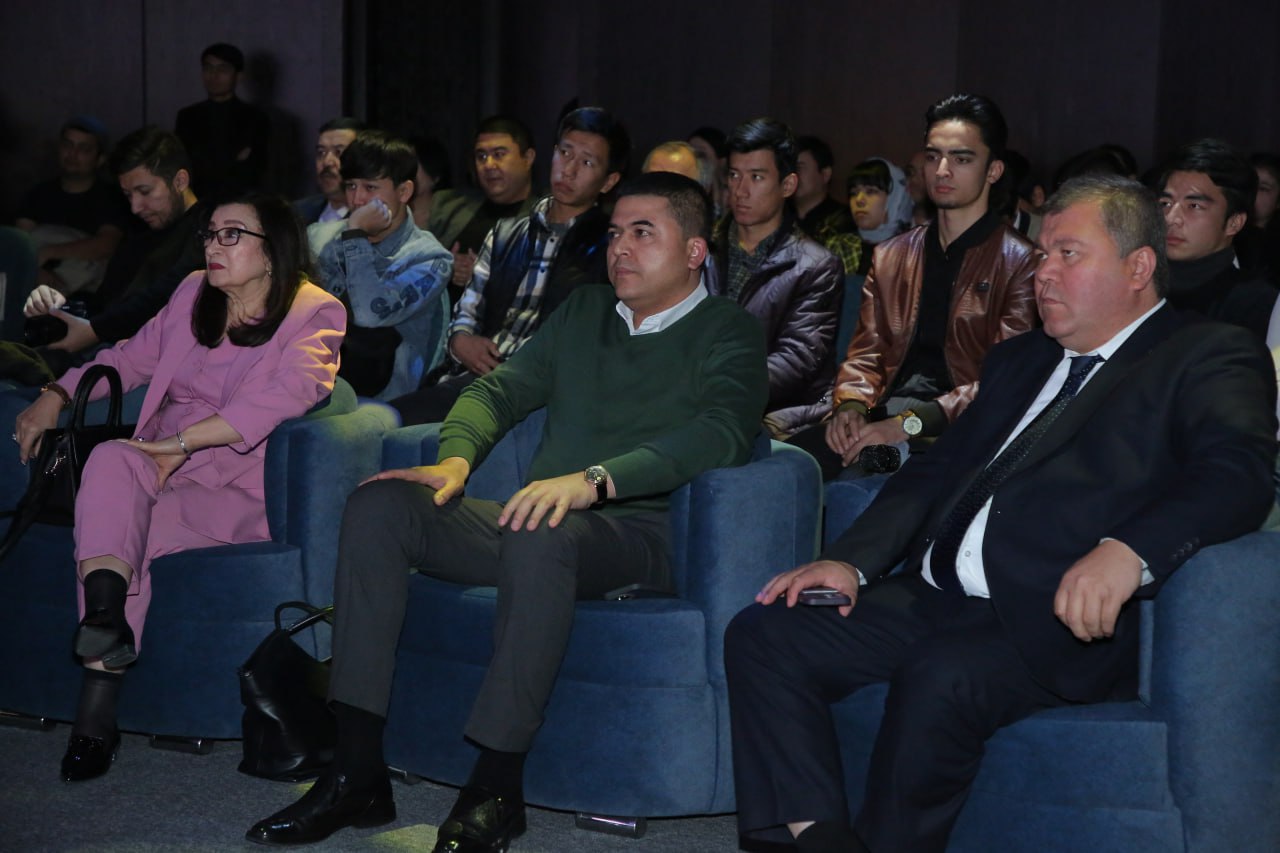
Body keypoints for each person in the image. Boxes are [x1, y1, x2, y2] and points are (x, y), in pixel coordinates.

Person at [724, 174, 1278, 852]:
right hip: (933, 597)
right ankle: (820, 839)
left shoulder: (1206, 352)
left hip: (1050, 615)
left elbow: (1236, 474)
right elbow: (935, 470)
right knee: (766, 631)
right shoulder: (1021, 358)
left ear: (1137, 267)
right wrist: (850, 561)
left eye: (1068, 255)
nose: (1044, 273)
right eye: (1043, 255)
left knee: (942, 675)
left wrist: (1129, 551)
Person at [245, 172, 768, 851]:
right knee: (380, 505)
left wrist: (595, 480)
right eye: (615, 232)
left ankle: (495, 783)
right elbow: (498, 393)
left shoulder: (728, 330)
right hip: (540, 523)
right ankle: (357, 770)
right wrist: (455, 462)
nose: (620, 248)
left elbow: (721, 434)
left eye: (644, 233)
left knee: (540, 531)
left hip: (642, 533)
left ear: (695, 251)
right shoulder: (585, 312)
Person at [12, 192, 345, 783]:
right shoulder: (194, 292)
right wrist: (55, 395)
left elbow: (290, 393)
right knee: (111, 459)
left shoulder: (314, 311)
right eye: (209, 234)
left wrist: (180, 444)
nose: (214, 245)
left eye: (231, 234)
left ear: (273, 251)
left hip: (235, 482)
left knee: (124, 529)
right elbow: (127, 360)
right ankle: (106, 617)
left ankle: (95, 714)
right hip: (156, 459)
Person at [788, 94, 1038, 481]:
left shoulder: (1022, 263)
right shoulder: (892, 255)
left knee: (860, 481)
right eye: (933, 156)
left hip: (952, 431)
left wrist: (907, 424)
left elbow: (1000, 384)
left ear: (993, 170)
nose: (942, 170)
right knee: (784, 467)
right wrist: (851, 406)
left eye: (961, 159)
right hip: (881, 416)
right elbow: (866, 352)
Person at [390, 107, 628, 425]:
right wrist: (460, 339)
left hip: (534, 390)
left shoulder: (610, 247)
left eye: (586, 162)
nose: (568, 170)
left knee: (389, 422)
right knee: (383, 421)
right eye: (565, 153)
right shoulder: (506, 233)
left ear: (608, 181)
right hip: (472, 374)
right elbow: (468, 308)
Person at [17, 127, 205, 376]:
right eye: (128, 195)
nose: (136, 207)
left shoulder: (210, 229)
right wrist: (60, 308)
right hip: (105, 353)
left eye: (145, 192)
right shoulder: (138, 240)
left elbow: (166, 295)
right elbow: (105, 303)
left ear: (180, 181)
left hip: (152, 365)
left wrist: (96, 330)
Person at [711, 117, 844, 440]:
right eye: (734, 175)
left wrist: (716, 387)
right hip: (702, 401)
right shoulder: (703, 248)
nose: (740, 190)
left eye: (756, 177)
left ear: (788, 185)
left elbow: (797, 359)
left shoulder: (815, 265)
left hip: (777, 416)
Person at [310, 130, 453, 400]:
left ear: (404, 191)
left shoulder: (429, 258)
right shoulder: (319, 237)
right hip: (312, 379)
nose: (358, 200)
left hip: (383, 397)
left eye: (370, 188)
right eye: (351, 186)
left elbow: (369, 316)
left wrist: (356, 237)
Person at [1157, 138, 1277, 339]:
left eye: (1194, 206)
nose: (1171, 219)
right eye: (1165, 203)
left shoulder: (1260, 305)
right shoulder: (1137, 284)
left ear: (1234, 223)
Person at [427, 116, 538, 305]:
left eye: (499, 154)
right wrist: (442, 267)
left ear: (527, 158)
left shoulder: (545, 218)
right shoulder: (449, 206)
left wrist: (487, 279)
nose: (488, 165)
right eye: (481, 156)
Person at [15, 115, 130, 294]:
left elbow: (107, 245)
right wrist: (35, 270)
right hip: (36, 281)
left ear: (100, 158)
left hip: (85, 286)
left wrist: (50, 251)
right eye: (67, 145)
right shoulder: (37, 194)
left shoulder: (112, 197)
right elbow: (20, 243)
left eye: (84, 149)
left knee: (95, 263)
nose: (73, 154)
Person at [174, 43, 270, 199]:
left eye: (222, 69)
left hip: (241, 201)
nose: (214, 75)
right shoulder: (187, 117)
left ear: (238, 76)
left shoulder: (255, 118)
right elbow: (182, 166)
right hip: (196, 201)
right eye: (208, 68)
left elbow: (257, 171)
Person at [794, 136, 862, 280]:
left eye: (799, 168)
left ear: (825, 174)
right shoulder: (777, 218)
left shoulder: (847, 220)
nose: (792, 176)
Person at [845, 157, 913, 274]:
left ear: (894, 199)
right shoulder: (841, 248)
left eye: (870, 191)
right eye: (853, 193)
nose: (859, 200)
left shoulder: (914, 253)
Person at [293, 117, 367, 225]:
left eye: (339, 152)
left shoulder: (373, 220)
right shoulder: (297, 213)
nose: (327, 162)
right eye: (321, 152)